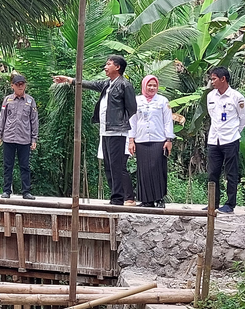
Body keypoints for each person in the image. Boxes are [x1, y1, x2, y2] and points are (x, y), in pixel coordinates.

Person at [53, 55, 137, 206]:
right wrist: (69, 80)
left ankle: (118, 198)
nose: (105, 67)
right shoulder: (107, 84)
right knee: (108, 165)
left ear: (117, 67)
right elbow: (90, 84)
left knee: (117, 165)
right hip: (105, 130)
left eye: (108, 64)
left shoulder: (125, 85)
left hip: (117, 131)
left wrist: (119, 121)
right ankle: (114, 196)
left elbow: (132, 108)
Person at [206, 67, 245, 214]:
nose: (212, 82)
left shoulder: (237, 97)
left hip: (230, 139)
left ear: (223, 79)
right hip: (214, 139)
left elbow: (243, 118)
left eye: (214, 79)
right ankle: (213, 203)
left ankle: (230, 204)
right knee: (212, 173)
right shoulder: (210, 96)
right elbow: (212, 116)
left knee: (231, 173)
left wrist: (234, 132)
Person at [128, 75, 174, 208]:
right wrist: (131, 140)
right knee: (144, 170)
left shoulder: (163, 101)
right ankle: (146, 200)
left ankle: (159, 199)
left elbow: (168, 121)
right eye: (149, 85)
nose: (152, 88)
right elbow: (133, 121)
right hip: (141, 139)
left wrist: (169, 139)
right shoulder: (137, 101)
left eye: (154, 85)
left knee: (157, 169)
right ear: (144, 86)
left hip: (158, 140)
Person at [0, 74, 39, 199]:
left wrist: (34, 138)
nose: (20, 87)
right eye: (18, 84)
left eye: (22, 84)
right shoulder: (7, 100)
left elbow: (34, 120)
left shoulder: (30, 101)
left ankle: (26, 191)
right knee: (8, 165)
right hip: (8, 138)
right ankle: (6, 191)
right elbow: (2, 118)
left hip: (24, 139)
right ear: (12, 86)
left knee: (24, 166)